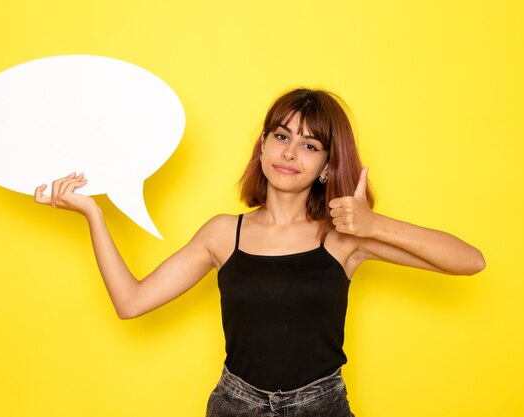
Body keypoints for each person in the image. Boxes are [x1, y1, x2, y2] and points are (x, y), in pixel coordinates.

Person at [34, 88, 485, 417]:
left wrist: (374, 224)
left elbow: (470, 261)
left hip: (321, 406)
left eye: (310, 145)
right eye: (281, 136)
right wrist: (93, 214)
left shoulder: (344, 238)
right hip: (236, 405)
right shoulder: (221, 234)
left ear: (328, 166)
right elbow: (130, 302)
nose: (290, 153)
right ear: (263, 144)